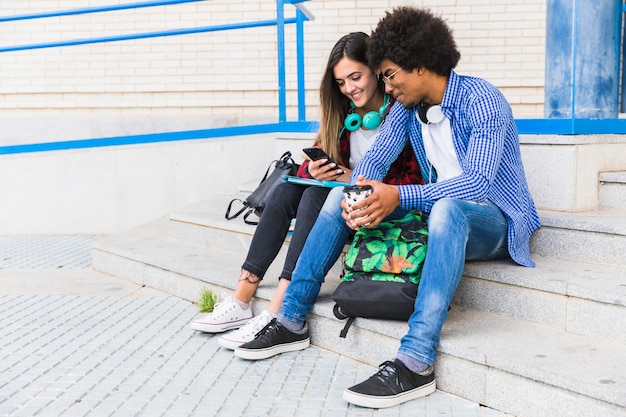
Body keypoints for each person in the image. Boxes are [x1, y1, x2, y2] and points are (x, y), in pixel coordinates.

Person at [234, 6, 540, 410]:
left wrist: (399, 195)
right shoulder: (407, 110)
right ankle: (290, 318)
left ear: (421, 64)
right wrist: (361, 197)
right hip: (438, 213)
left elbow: (478, 183)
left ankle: (415, 361)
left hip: (496, 219)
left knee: (448, 207)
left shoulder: (482, 100)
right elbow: (375, 162)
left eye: (391, 74)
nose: (387, 86)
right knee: (338, 195)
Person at [190, 31, 422, 350]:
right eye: (341, 82)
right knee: (288, 189)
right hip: (338, 205)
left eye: (356, 77)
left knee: (318, 194)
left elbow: (411, 184)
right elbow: (308, 164)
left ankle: (279, 309)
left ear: (376, 70)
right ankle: (242, 299)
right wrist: (312, 168)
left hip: (374, 210)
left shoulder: (400, 112)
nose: (349, 88)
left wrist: (350, 177)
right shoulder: (344, 115)